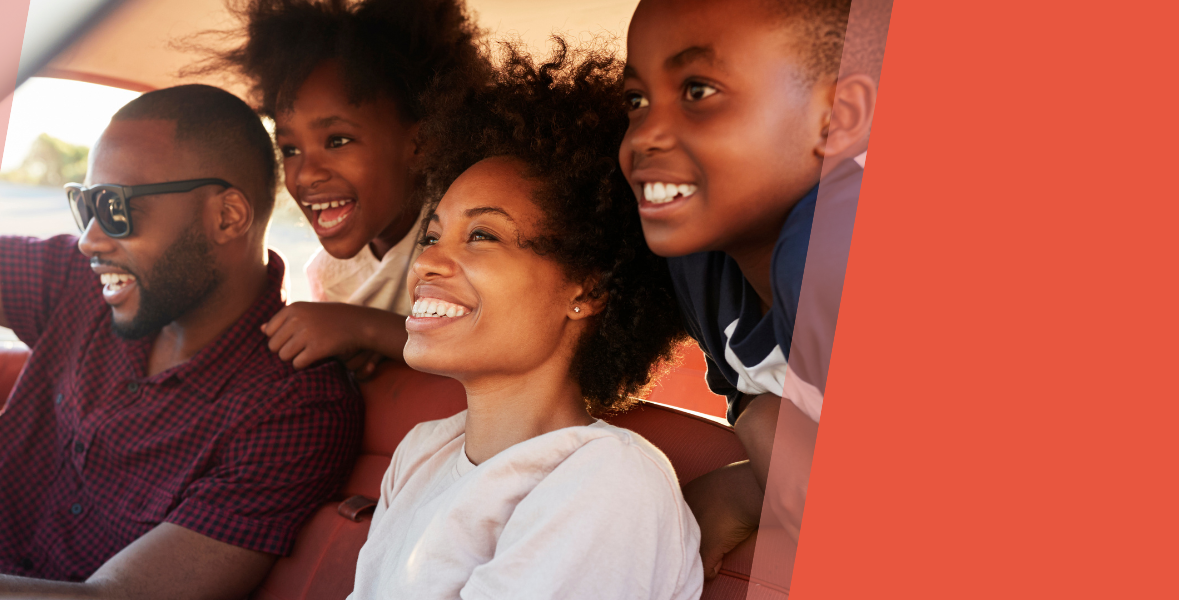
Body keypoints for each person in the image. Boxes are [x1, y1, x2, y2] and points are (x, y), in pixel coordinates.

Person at [0, 84, 365, 599]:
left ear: (227, 217)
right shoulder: (79, 283)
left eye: (114, 207)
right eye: (83, 204)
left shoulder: (294, 406)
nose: (90, 238)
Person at [347, 41, 702, 600]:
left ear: (587, 288)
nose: (427, 262)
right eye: (433, 234)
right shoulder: (423, 452)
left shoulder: (607, 482)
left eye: (483, 235)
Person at [618, 0, 889, 578]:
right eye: (637, 100)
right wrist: (762, 422)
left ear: (839, 116)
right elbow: (752, 392)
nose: (645, 135)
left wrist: (747, 489)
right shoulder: (700, 265)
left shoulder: (834, 246)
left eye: (698, 91)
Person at [192, 0, 488, 378]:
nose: (306, 174)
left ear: (422, 141)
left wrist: (363, 328)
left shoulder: (469, 231)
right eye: (291, 150)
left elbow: (495, 344)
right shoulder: (330, 275)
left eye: (337, 141)